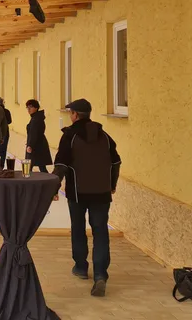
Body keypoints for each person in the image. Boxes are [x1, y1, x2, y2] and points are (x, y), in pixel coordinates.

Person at [52, 99, 122, 298]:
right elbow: (116, 162)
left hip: (77, 193)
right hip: (101, 192)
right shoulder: (105, 136)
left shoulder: (70, 136)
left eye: (71, 113)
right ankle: (100, 274)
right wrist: (112, 184)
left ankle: (81, 267)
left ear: (75, 115)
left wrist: (53, 188)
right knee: (100, 231)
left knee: (78, 227)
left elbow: (61, 165)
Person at [25, 99, 52, 173]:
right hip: (39, 144)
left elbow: (33, 133)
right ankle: (47, 180)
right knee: (41, 166)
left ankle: (27, 179)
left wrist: (30, 145)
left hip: (36, 146)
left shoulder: (36, 119)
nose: (28, 109)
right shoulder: (37, 117)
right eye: (27, 107)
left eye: (31, 107)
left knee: (28, 167)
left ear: (36, 108)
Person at [0, 97, 12, 163]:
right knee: (3, 150)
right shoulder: (6, 111)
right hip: (5, 132)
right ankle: (1, 165)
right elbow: (9, 121)